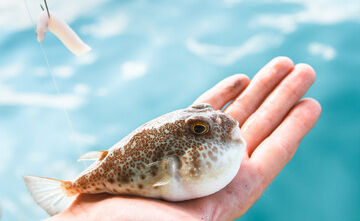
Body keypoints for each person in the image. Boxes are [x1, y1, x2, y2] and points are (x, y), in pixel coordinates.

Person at [48, 57, 321, 221]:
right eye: (200, 129)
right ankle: (70, 187)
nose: (223, 122)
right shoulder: (172, 161)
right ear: (176, 159)